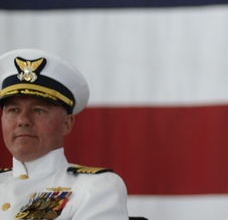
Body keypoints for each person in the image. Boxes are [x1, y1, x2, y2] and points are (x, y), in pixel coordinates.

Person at [0, 48, 130, 219]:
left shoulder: (96, 188)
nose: (23, 120)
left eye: (38, 110)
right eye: (13, 110)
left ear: (66, 124)